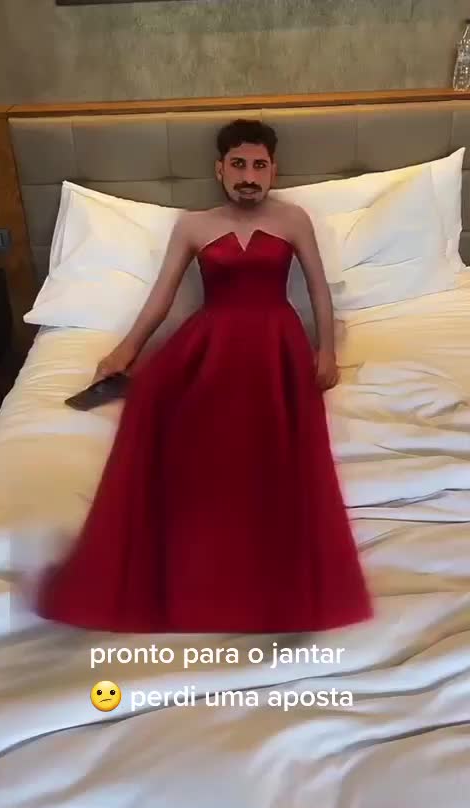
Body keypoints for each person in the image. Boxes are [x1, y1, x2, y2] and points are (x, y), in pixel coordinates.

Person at [34, 119, 373, 633]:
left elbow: (318, 290)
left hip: (276, 341)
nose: (249, 176)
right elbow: (162, 297)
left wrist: (326, 350)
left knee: (273, 437)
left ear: (273, 170)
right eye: (238, 165)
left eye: (259, 165)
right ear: (220, 170)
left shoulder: (293, 219)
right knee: (169, 412)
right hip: (211, 337)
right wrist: (126, 349)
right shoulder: (194, 225)